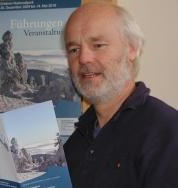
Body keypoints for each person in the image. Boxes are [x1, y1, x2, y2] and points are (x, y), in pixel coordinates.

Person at [63, 1, 178, 188]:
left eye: (98, 45)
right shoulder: (76, 141)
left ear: (132, 49)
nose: (83, 58)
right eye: (74, 49)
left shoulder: (167, 133)